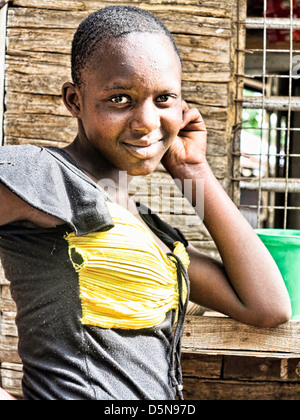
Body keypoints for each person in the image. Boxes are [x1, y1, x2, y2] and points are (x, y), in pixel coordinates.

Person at [0, 5, 291, 401]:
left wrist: (193, 171)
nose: (147, 121)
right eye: (120, 98)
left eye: (164, 98)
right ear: (74, 100)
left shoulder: (150, 229)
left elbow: (267, 305)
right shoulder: (41, 174)